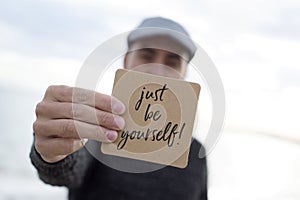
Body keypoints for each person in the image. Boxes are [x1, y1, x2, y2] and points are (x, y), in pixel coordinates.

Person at [30, 17, 208, 200]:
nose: (157, 71)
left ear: (184, 72)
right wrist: (53, 152)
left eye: (172, 62)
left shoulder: (195, 152)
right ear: (126, 61)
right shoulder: (95, 130)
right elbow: (66, 170)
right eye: (146, 56)